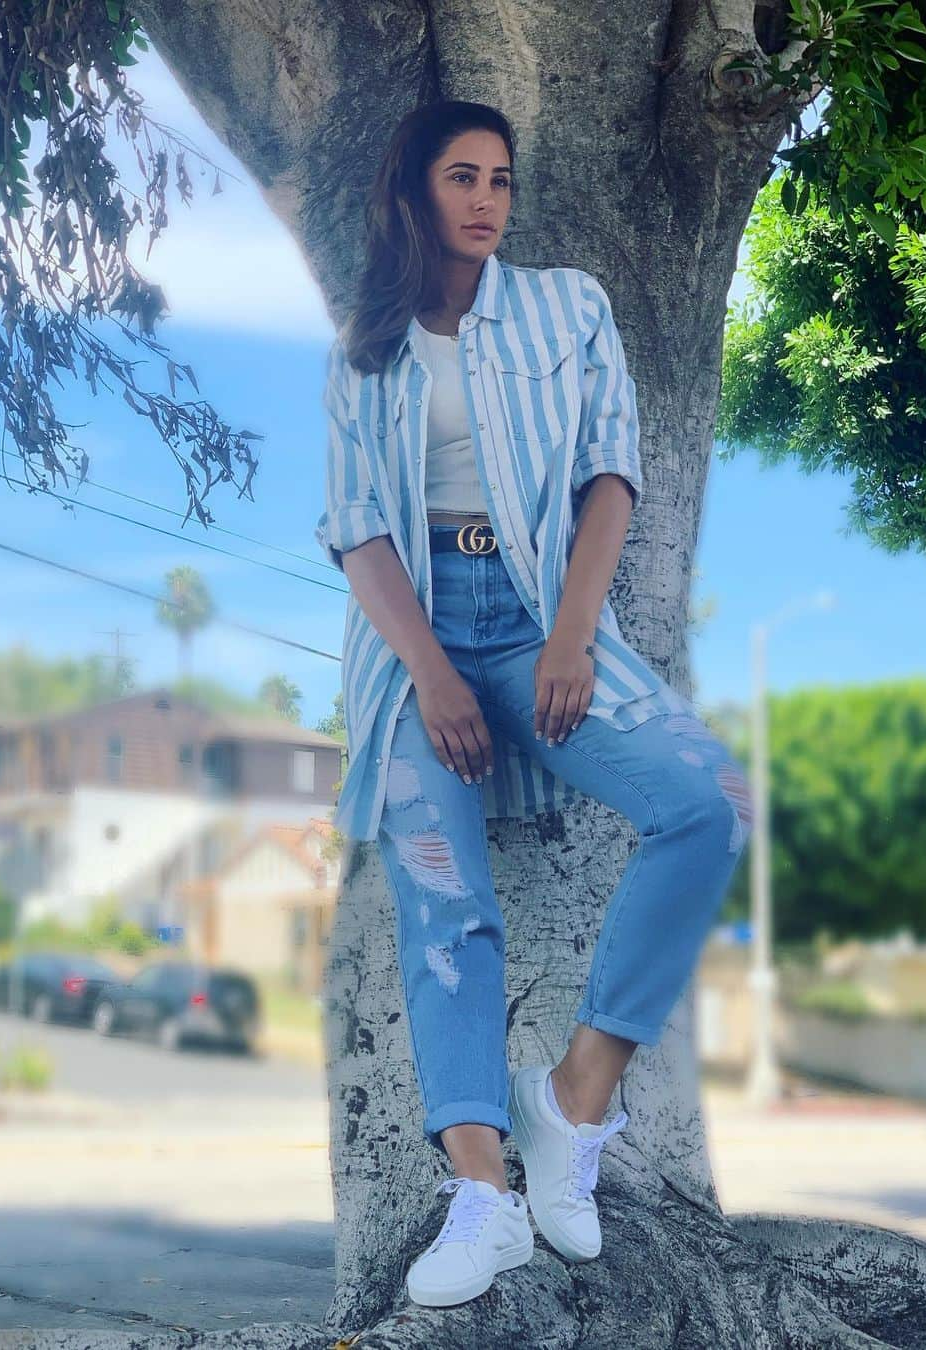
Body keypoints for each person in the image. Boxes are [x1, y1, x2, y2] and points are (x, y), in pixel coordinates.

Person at [315, 100, 753, 1308]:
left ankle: (574, 1100)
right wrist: (433, 677)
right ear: (415, 191)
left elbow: (613, 470)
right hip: (413, 637)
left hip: (543, 612)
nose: (486, 201)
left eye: (501, 181)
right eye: (461, 176)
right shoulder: (368, 346)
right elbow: (356, 532)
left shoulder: (569, 305)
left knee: (710, 805)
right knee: (443, 904)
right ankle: (479, 1195)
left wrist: (570, 636)